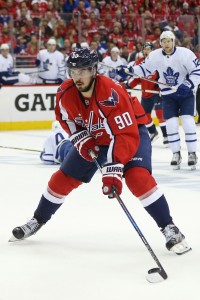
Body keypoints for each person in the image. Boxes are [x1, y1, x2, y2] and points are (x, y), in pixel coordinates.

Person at [10, 47, 190, 256]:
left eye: (83, 71)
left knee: (137, 178)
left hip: (131, 132)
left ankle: (169, 227)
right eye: (73, 72)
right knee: (62, 178)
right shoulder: (65, 92)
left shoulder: (111, 92)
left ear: (94, 70)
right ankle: (37, 219)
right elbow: (65, 117)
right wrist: (80, 137)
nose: (77, 77)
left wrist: (113, 170)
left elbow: (123, 134)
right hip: (96, 138)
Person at [118, 31, 199, 170]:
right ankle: (176, 154)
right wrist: (130, 69)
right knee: (172, 124)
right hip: (168, 95)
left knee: (188, 122)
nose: (166, 44)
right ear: (160, 43)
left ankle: (192, 153)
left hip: (186, 95)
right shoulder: (155, 56)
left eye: (169, 41)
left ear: (174, 41)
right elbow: (144, 69)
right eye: (163, 41)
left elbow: (197, 70)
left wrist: (188, 84)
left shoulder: (185, 53)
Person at [117, 42, 168, 144]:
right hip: (146, 94)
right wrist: (128, 85)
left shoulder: (158, 62)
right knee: (144, 116)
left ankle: (166, 136)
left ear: (153, 51)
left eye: (148, 49)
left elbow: (164, 75)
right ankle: (153, 132)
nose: (146, 51)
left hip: (157, 92)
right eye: (144, 49)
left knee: (159, 113)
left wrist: (161, 85)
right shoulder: (139, 63)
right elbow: (137, 78)